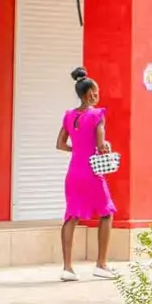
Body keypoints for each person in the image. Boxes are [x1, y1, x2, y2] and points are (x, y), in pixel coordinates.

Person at [57, 67, 115, 282]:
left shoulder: (69, 116)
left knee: (71, 216)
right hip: (92, 172)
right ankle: (101, 264)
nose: (97, 94)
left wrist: (78, 150)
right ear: (90, 93)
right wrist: (105, 146)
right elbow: (100, 146)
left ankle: (67, 268)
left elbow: (60, 144)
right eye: (96, 91)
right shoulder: (97, 115)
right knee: (106, 213)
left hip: (74, 172)